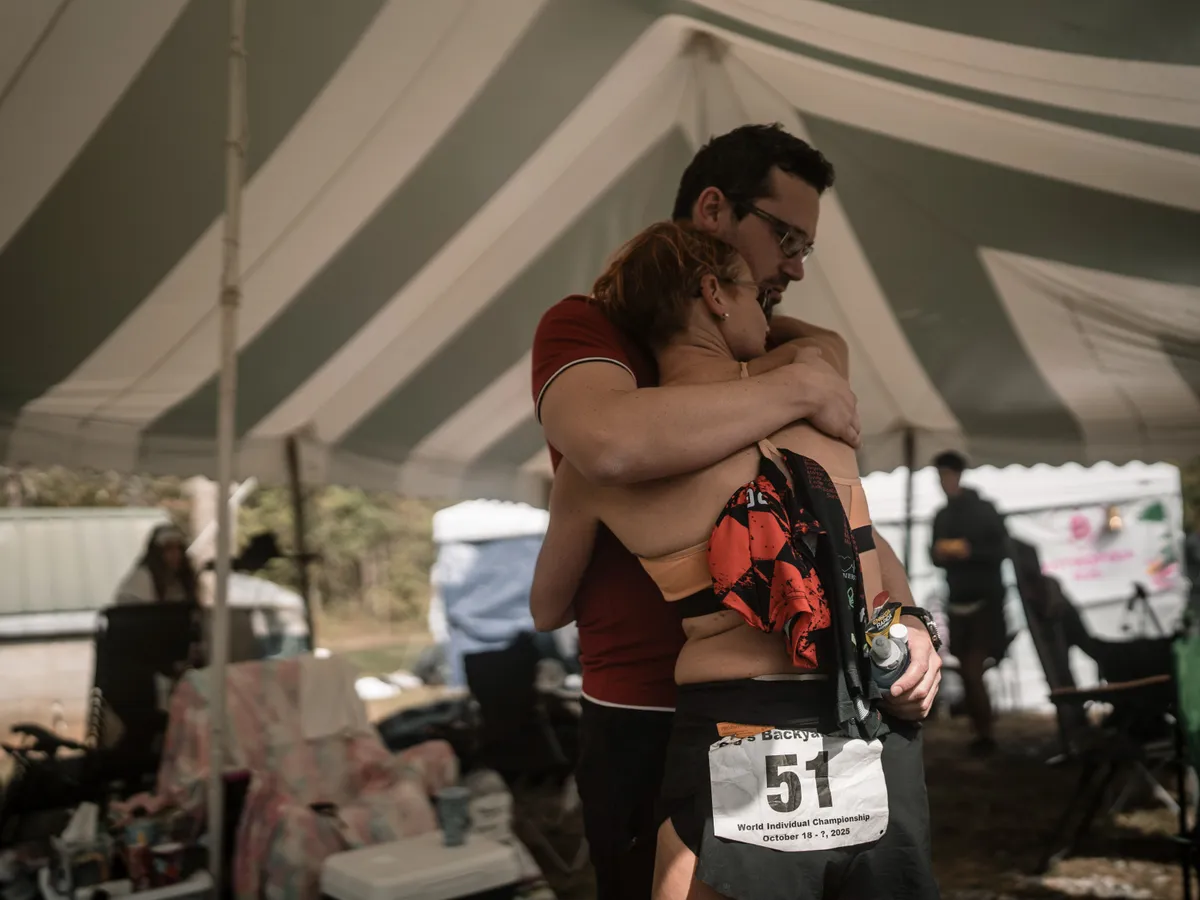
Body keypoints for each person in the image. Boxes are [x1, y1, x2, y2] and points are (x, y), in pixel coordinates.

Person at [530, 124, 940, 900]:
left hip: (786, 692)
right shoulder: (590, 326)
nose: (795, 267)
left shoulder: (776, 347)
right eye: (786, 238)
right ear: (715, 213)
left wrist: (909, 617)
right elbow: (609, 441)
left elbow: (841, 525)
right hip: (646, 705)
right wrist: (798, 385)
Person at [930, 450, 1009, 755]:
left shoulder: (984, 511)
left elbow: (1002, 549)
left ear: (958, 475)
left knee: (973, 670)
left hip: (985, 602)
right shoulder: (941, 516)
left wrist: (969, 551)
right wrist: (942, 553)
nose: (944, 482)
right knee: (967, 671)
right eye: (940, 477)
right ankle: (981, 731)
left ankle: (986, 733)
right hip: (958, 601)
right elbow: (933, 554)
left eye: (947, 476)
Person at [114, 523, 199, 606]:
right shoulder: (141, 579)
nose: (176, 554)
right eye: (169, 549)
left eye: (179, 548)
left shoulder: (180, 581)